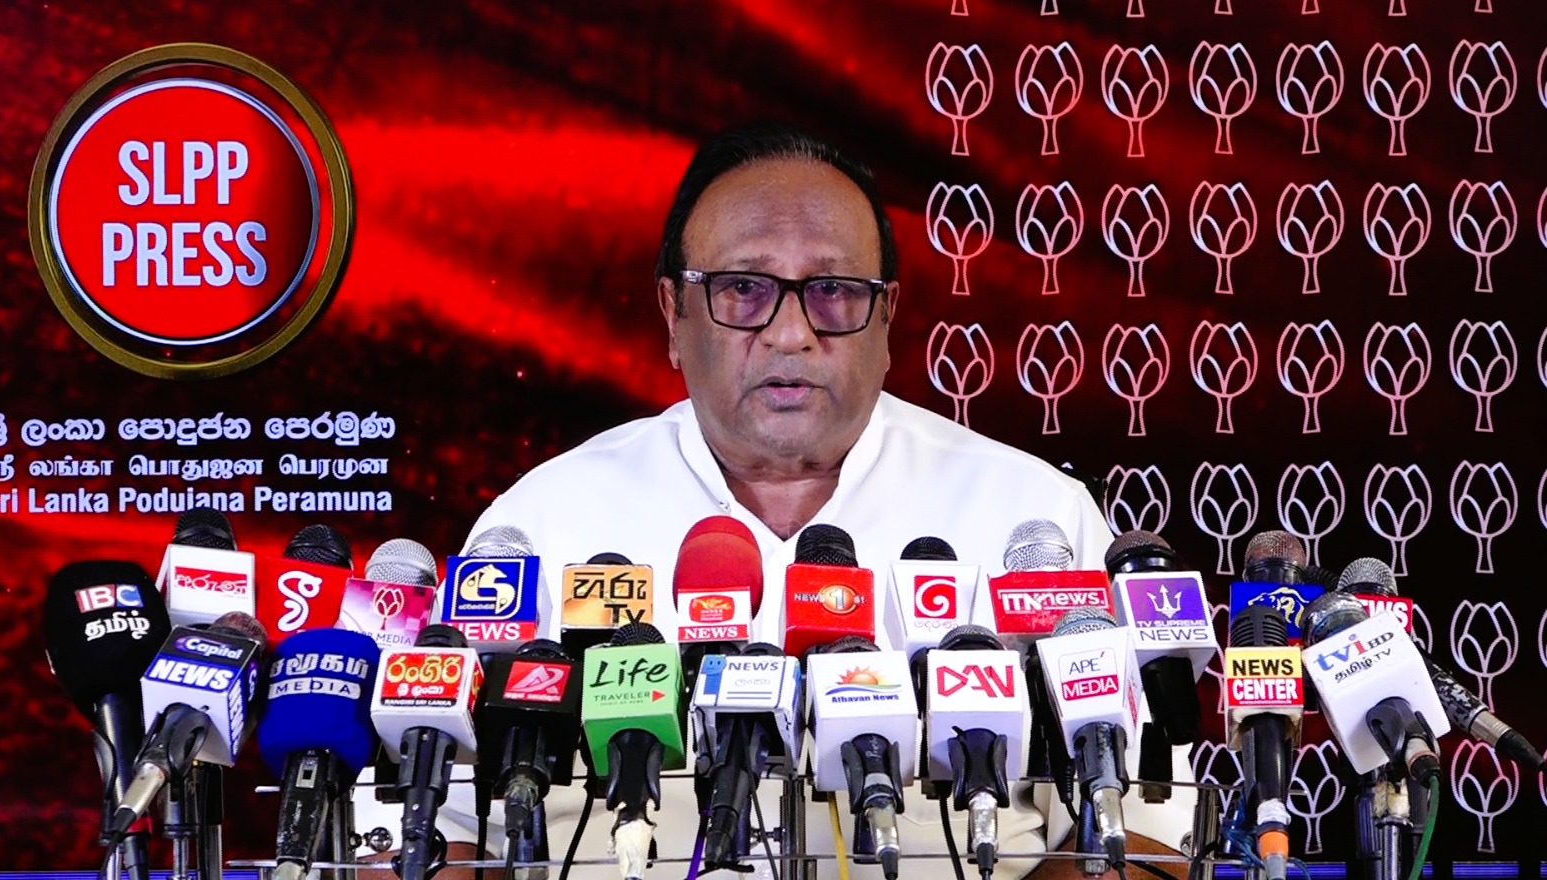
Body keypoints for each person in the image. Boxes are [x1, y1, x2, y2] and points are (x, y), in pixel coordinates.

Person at [357, 121, 1193, 879]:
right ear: (674, 314)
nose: (791, 333)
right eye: (743, 289)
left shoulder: (1030, 514)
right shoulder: (546, 521)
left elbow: (1148, 838)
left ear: (888, 316)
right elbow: (430, 839)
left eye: (834, 291)